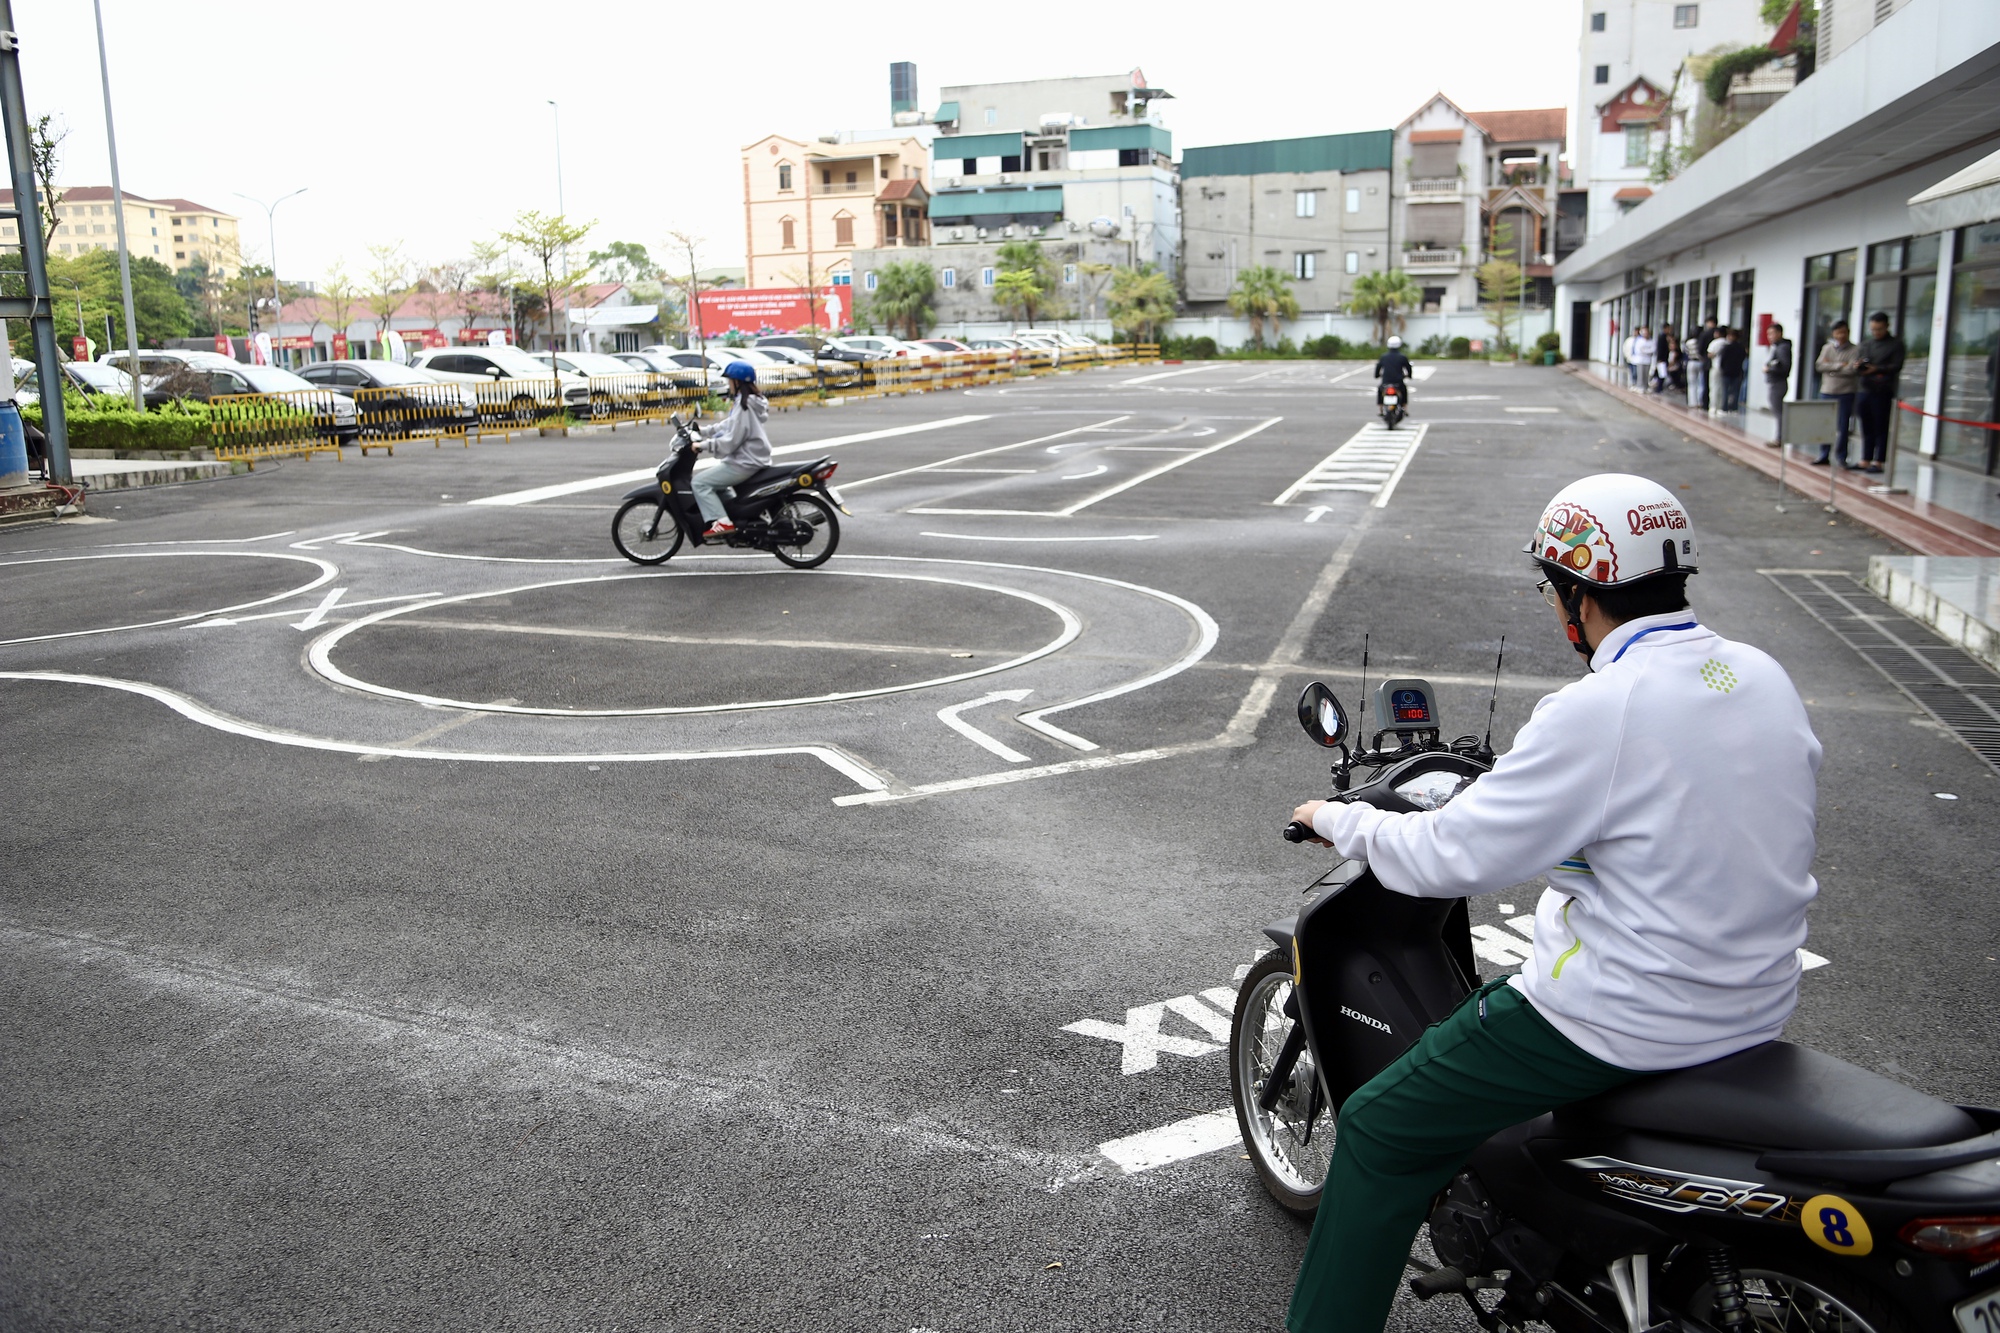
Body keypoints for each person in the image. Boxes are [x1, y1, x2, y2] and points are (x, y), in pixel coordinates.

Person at [1283, 474, 1821, 1333]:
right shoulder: (1758, 674)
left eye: (1553, 589)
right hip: (1753, 1000)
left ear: (1578, 594)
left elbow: (1450, 853)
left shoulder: (1601, 707)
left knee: (1382, 1126)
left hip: (1619, 1016)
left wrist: (1340, 821)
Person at [692, 361, 773, 538]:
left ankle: (722, 522)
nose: (728, 385)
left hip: (744, 462)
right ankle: (733, 514)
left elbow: (732, 440)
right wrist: (705, 431)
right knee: (717, 485)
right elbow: (729, 424)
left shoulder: (744, 406)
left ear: (737, 382)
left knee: (700, 483)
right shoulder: (750, 402)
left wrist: (704, 445)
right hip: (752, 459)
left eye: (730, 381)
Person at [1856, 311, 1905, 475]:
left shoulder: (1896, 344)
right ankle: (1865, 458)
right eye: (1873, 329)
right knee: (1866, 425)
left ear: (1887, 326)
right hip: (1865, 388)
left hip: (1883, 390)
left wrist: (1878, 368)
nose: (1876, 332)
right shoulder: (1866, 344)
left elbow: (1897, 366)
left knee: (1881, 426)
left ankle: (1879, 460)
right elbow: (1860, 362)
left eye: (1879, 329)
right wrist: (1859, 366)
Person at [1813, 321, 1862, 467]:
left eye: (1844, 332)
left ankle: (1841, 456)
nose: (1841, 335)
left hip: (1846, 392)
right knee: (1825, 424)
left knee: (1843, 426)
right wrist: (1840, 365)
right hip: (1827, 391)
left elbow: (1852, 370)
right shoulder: (1827, 348)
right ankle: (1823, 454)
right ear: (1833, 334)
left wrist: (1831, 367)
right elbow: (1819, 365)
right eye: (1838, 332)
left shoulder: (1855, 350)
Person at [1763, 322, 1793, 430]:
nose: (1769, 337)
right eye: (1768, 334)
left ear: (1779, 333)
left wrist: (1769, 369)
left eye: (1772, 334)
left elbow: (1784, 366)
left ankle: (1780, 437)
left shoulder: (1782, 348)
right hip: (1775, 382)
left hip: (1778, 382)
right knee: (1776, 410)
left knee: (1778, 411)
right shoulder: (1776, 347)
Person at [1374, 336, 1413, 412]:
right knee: (1404, 391)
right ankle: (1404, 408)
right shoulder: (1402, 357)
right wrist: (1409, 375)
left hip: (1386, 381)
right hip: (1398, 382)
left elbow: (1378, 367)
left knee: (1380, 390)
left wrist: (1377, 375)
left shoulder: (1384, 357)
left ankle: (1381, 408)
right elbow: (1408, 368)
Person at [1715, 326, 1747, 413]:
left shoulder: (1727, 347)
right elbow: (1743, 358)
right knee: (1735, 391)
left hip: (1726, 372)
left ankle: (1724, 408)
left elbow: (1722, 360)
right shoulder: (1741, 348)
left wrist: (1722, 369)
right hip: (1737, 371)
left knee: (1725, 391)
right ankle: (1734, 408)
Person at [1688, 317, 1717, 410]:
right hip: (1709, 363)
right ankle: (1702, 402)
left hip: (1697, 362)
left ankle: (1694, 402)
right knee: (1703, 384)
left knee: (1693, 383)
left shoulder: (1692, 341)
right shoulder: (1718, 335)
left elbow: (1700, 350)